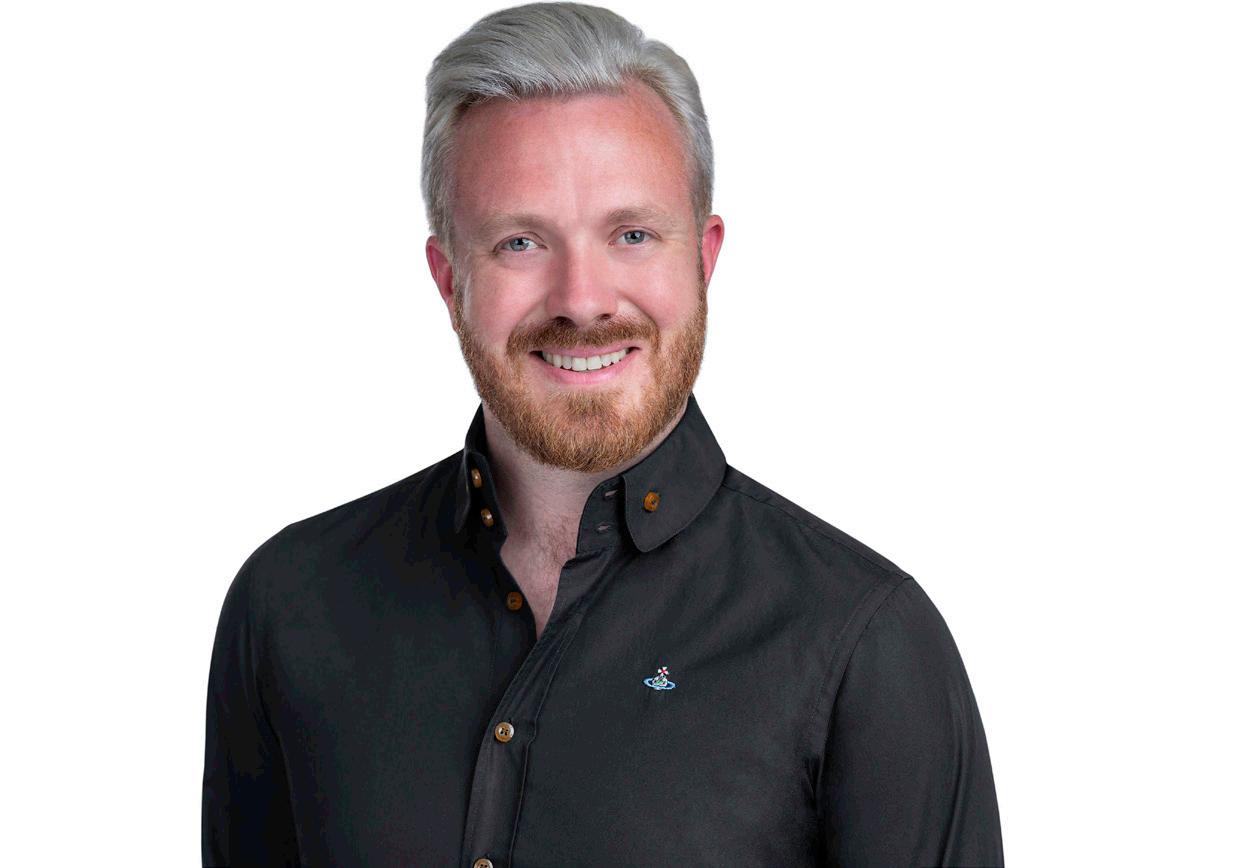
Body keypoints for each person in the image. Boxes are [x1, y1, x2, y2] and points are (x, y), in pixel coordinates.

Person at [201, 3, 1003, 866]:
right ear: (448, 276)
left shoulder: (865, 645)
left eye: (632, 235)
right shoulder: (291, 605)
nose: (582, 300)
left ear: (704, 257)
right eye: (520, 242)